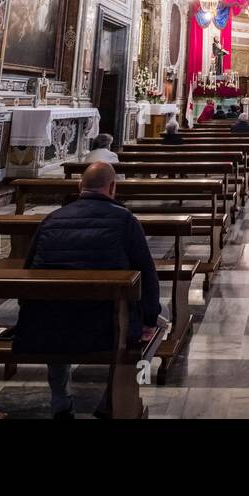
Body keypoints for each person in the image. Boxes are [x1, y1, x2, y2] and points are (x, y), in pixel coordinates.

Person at [14, 162, 165, 418]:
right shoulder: (125, 220)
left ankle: (60, 401)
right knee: (162, 319)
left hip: (47, 323)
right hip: (107, 324)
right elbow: (147, 275)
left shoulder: (51, 220)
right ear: (113, 187)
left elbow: (29, 273)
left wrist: (30, 312)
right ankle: (112, 400)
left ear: (79, 186)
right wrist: (150, 317)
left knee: (56, 311)